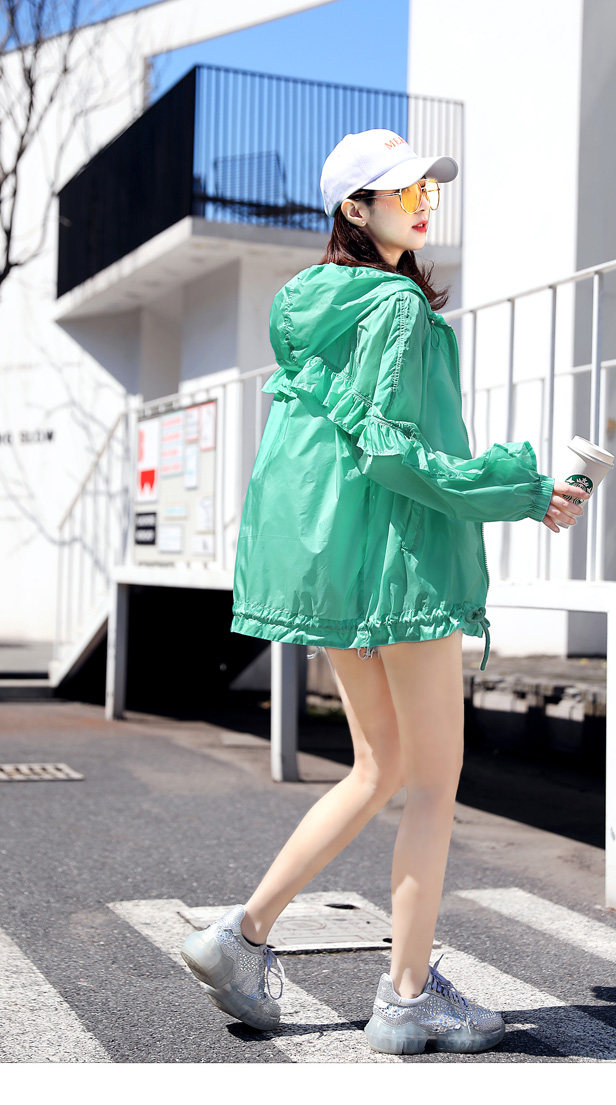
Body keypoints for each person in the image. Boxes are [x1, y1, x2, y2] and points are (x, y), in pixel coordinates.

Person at [180, 129, 589, 1055]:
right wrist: (524, 491)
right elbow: (398, 455)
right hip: (402, 569)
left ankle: (240, 935)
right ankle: (407, 996)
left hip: (343, 569)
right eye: (403, 192)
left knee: (377, 768)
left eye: (425, 189)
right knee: (433, 781)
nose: (422, 203)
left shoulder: (319, 307)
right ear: (354, 209)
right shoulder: (398, 309)